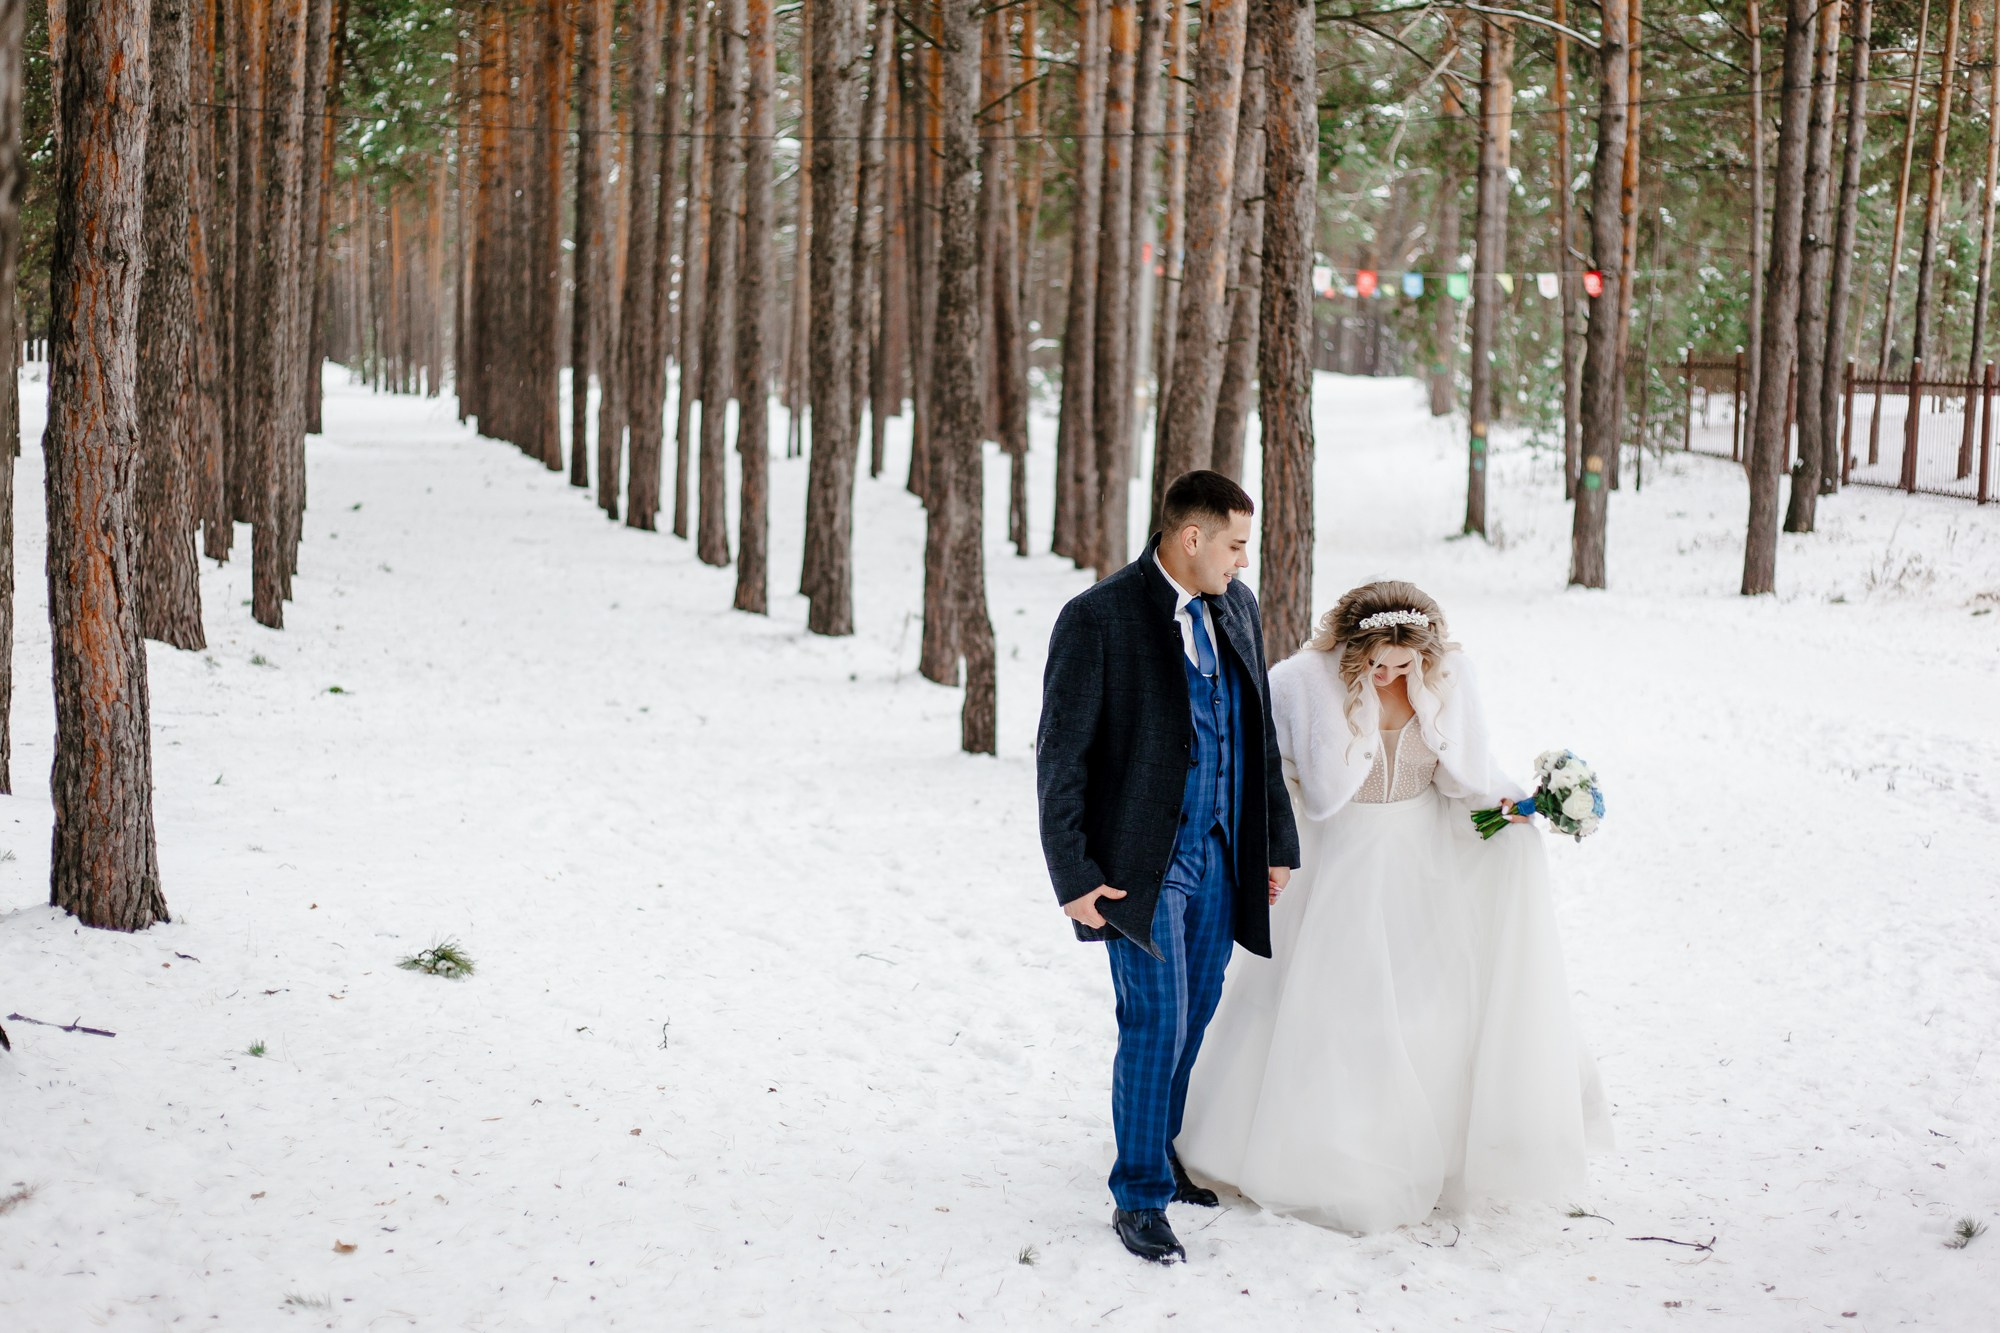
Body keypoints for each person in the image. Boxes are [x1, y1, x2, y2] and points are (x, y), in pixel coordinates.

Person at [1176, 580, 1613, 1233]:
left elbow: (1466, 772)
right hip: (1337, 858)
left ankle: (1411, 1154)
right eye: (1375, 662)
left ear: (1426, 653)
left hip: (1419, 857)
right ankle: (1317, 1154)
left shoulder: (1450, 680)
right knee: (1328, 1009)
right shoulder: (1303, 682)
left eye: (1402, 665)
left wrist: (1517, 808)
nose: (1387, 674)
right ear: (1352, 647)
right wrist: (1271, 846)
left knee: (1420, 1011)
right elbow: (1271, 771)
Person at [1035, 470, 1301, 1264]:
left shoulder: (1239, 610)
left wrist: (1275, 845)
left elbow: (1259, 736)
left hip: (1222, 854)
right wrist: (1075, 876)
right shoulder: (1098, 618)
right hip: (1138, 869)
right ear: (1192, 538)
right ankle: (1141, 1193)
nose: (1243, 561)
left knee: (1197, 1011)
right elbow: (1060, 757)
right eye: (1236, 544)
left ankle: (1160, 1143)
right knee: (1153, 1020)